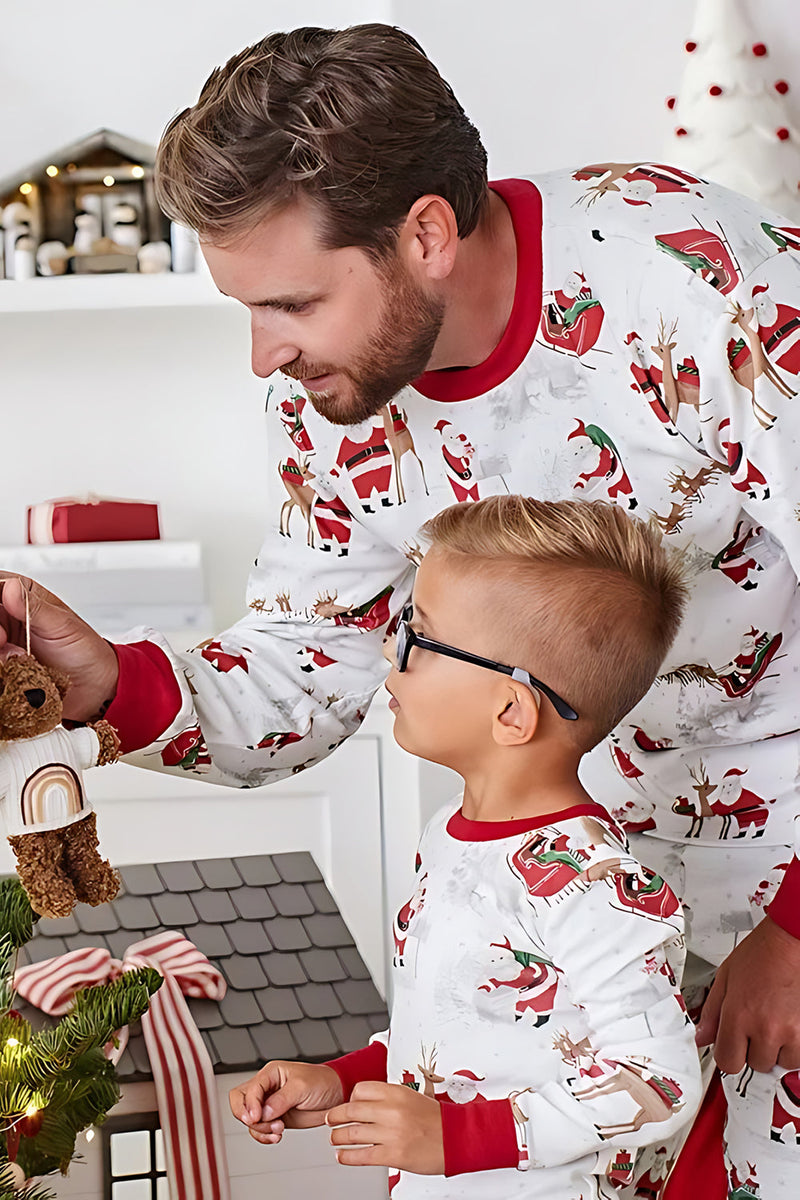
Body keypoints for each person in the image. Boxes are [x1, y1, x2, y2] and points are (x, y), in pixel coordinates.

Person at [2, 22, 800, 1192]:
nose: (263, 356)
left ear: (424, 233)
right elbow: (304, 676)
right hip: (572, 881)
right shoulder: (329, 404)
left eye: (291, 302)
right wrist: (105, 683)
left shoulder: (697, 280)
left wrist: (793, 931)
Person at [229, 495, 702, 1199]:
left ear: (510, 710)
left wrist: (460, 1138)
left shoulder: (596, 884)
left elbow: (659, 1083)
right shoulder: (448, 833)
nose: (393, 650)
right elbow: (459, 1035)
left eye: (419, 636)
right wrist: (345, 1079)